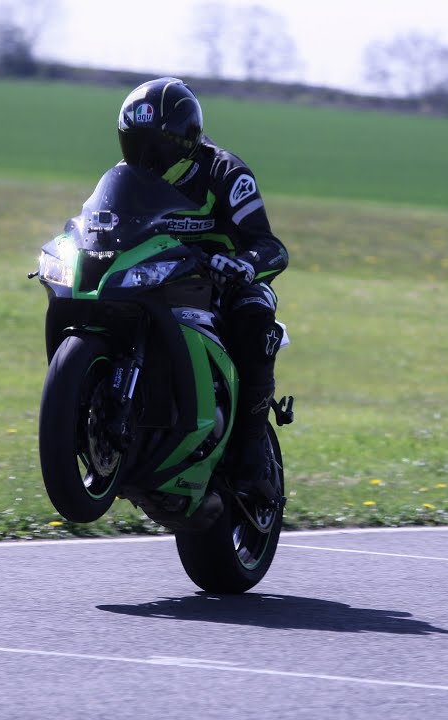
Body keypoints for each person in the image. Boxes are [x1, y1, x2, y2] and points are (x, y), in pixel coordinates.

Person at [116, 76, 289, 502]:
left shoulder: (225, 172)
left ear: (185, 141)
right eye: (136, 145)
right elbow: (105, 226)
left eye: (157, 146)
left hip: (225, 284)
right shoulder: (126, 180)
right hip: (161, 281)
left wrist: (243, 266)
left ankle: (251, 453)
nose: (147, 158)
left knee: (253, 324)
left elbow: (271, 246)